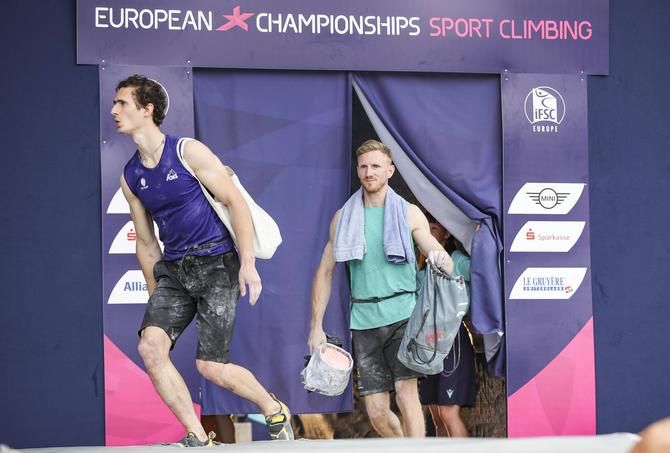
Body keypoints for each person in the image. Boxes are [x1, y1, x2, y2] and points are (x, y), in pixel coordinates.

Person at [112, 74, 293, 447]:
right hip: (175, 271)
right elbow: (146, 242)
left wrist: (247, 264)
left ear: (147, 110)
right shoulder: (130, 176)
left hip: (217, 264)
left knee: (210, 366)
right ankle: (196, 435)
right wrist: (154, 292)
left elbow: (235, 202)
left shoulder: (187, 152)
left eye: (122, 103)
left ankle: (273, 408)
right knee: (151, 347)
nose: (113, 111)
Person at [307, 139, 453, 438]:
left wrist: (440, 258)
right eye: (363, 166)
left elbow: (437, 252)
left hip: (404, 315)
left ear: (390, 170)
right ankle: (401, 445)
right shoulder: (343, 218)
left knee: (405, 393)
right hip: (363, 321)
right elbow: (324, 273)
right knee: (376, 410)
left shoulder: (409, 212)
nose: (369, 172)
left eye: (375, 166)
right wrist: (315, 326)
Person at [417, 214, 478, 437]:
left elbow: (482, 270)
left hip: (452, 341)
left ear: (447, 232)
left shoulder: (457, 259)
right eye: (425, 228)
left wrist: (481, 238)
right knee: (435, 413)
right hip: (426, 344)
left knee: (448, 413)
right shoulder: (421, 269)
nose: (428, 233)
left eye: (434, 227)